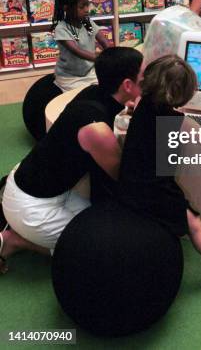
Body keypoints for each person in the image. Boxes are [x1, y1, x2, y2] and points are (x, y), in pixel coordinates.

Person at [0, 47, 143, 273]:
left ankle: (20, 231)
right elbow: (120, 175)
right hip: (33, 206)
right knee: (93, 248)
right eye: (143, 77)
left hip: (33, 183)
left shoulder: (92, 92)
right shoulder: (96, 130)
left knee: (100, 220)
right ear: (127, 85)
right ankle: (14, 241)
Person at [117, 55, 201, 289]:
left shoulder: (141, 102)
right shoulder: (178, 120)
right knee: (193, 223)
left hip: (130, 182)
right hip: (157, 186)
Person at [53, 0, 113, 92]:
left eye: (87, 5)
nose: (87, 10)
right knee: (80, 97)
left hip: (90, 72)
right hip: (69, 77)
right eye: (82, 6)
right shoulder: (62, 28)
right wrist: (102, 59)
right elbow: (77, 51)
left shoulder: (87, 23)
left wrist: (112, 53)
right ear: (66, 8)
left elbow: (103, 40)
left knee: (105, 89)